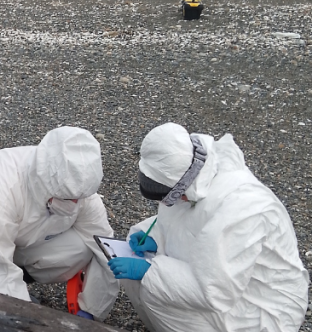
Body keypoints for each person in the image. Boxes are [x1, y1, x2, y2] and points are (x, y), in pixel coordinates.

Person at [109, 122, 310, 332]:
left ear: (181, 185)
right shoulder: (194, 174)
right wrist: (157, 236)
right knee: (139, 270)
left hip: (262, 307)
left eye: (169, 197)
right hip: (228, 282)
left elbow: (213, 290)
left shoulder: (242, 209)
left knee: (155, 290)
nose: (168, 203)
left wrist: (151, 271)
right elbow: (191, 221)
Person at [0, 126, 119, 321]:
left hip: (17, 237)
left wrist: (91, 311)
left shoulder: (82, 193)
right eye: (68, 197)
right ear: (45, 181)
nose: (76, 203)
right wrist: (23, 318)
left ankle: (19, 283)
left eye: (79, 197)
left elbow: (106, 249)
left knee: (83, 246)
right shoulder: (2, 183)